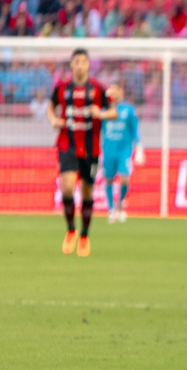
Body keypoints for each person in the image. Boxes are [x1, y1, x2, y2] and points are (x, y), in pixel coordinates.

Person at [47, 48, 120, 257]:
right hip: (67, 145)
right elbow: (50, 107)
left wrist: (101, 114)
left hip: (90, 148)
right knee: (67, 188)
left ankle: (85, 235)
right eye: (76, 61)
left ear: (88, 65)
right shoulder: (62, 87)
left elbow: (114, 112)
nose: (79, 65)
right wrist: (53, 119)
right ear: (71, 64)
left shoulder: (97, 88)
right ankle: (71, 230)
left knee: (87, 192)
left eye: (83, 61)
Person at [101, 81, 144, 223]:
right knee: (108, 179)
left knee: (125, 178)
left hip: (124, 150)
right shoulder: (103, 109)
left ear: (121, 92)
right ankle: (111, 209)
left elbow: (134, 129)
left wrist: (139, 148)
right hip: (108, 149)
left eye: (116, 90)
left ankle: (120, 204)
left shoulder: (128, 110)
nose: (114, 93)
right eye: (111, 90)